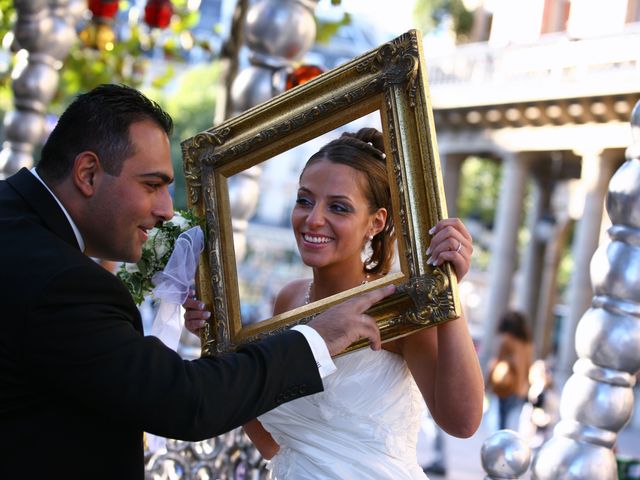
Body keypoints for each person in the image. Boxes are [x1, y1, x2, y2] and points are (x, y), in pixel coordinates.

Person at [0, 84, 395, 480]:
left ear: (376, 222)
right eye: (152, 185)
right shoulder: (64, 281)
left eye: (339, 206)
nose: (167, 210)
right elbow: (184, 402)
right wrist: (315, 338)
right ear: (87, 173)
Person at [186, 128, 484, 479]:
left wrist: (446, 292)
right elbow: (274, 444)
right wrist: (217, 344)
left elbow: (462, 422)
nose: (313, 218)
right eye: (304, 200)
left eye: (338, 207)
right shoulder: (289, 299)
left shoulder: (395, 307)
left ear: (376, 222)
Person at [487, 310, 534, 430]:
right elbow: (529, 366)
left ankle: (501, 444)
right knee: (513, 422)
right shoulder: (527, 344)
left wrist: (487, 383)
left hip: (506, 385)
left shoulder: (505, 340)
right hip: (521, 388)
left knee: (501, 421)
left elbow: (496, 362)